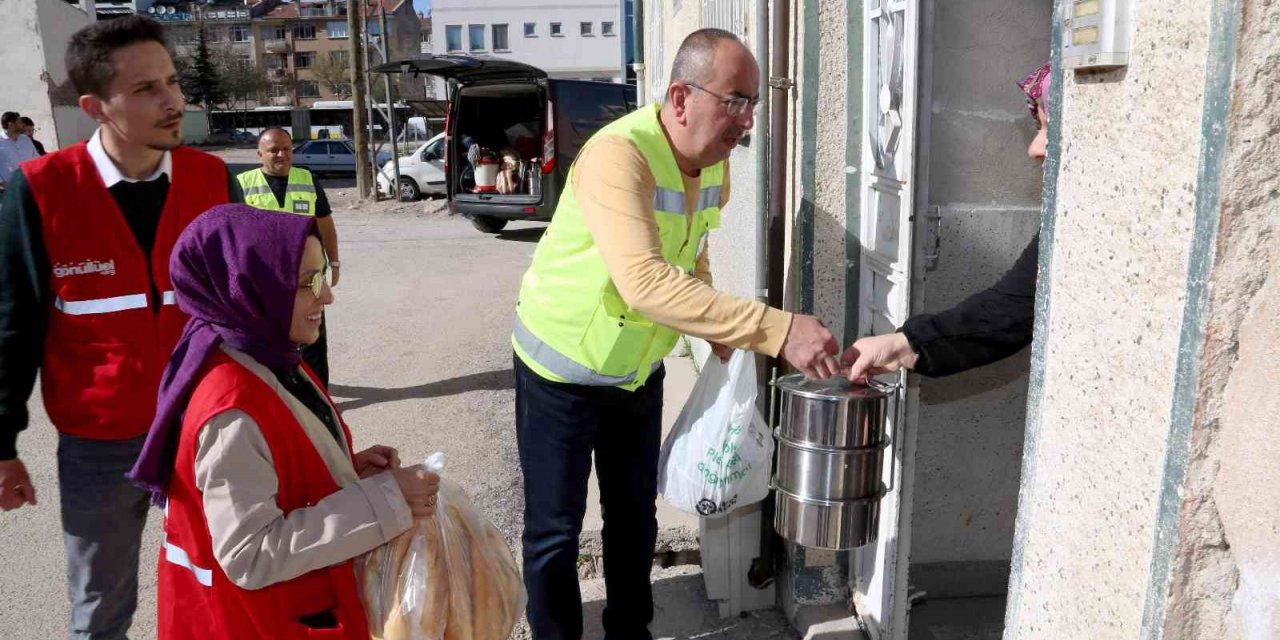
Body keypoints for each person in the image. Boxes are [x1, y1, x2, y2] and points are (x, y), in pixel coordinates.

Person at [511, 28, 840, 639]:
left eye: (751, 105)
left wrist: (715, 330)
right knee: (554, 529)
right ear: (681, 97)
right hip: (563, 367)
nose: (744, 120)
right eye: (733, 101)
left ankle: (629, 631)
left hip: (636, 370)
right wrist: (774, 329)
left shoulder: (713, 165)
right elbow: (644, 282)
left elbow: (693, 253)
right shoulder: (620, 155)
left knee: (634, 517)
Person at [0, 16, 242, 639]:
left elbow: (249, 313)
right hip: (99, 447)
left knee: (229, 589)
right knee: (100, 611)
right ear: (94, 106)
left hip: (205, 433)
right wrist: (3, 443)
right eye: (145, 90)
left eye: (172, 81)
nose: (173, 102)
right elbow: (13, 323)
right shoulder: (43, 190)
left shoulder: (212, 181)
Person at [125, 204, 439, 639]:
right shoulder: (231, 408)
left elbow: (273, 462)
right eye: (308, 282)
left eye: (323, 273)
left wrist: (343, 473)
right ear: (252, 288)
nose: (326, 295)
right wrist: (386, 501)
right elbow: (250, 553)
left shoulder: (268, 355)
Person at [841, 62, 1051, 381]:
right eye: (1039, 127)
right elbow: (1011, 310)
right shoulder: (1061, 229)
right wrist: (905, 345)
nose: (1033, 149)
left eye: (1049, 129)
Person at [237, 128, 339, 385]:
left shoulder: (307, 179)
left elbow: (325, 224)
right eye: (274, 150)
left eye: (287, 149)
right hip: (264, 279)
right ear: (260, 154)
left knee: (313, 338)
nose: (282, 154)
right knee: (267, 336)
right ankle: (276, 390)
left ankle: (317, 394)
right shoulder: (242, 184)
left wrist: (334, 260)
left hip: (309, 276)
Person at [0, 111, 40, 192]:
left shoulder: (26, 140)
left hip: (29, 188)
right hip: (7, 191)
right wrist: (2, 183)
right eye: (19, 122)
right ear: (10, 124)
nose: (23, 125)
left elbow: (36, 160)